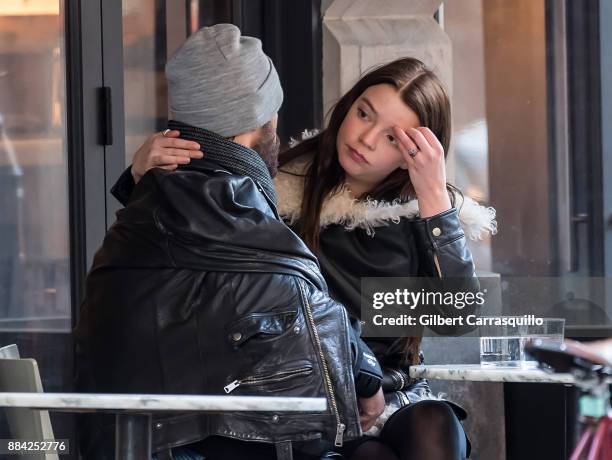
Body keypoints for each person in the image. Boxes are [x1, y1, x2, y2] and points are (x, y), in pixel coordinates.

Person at [115, 58, 497, 459]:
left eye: (391, 138)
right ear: (346, 106)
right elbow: (178, 242)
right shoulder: (271, 189)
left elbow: (458, 320)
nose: (365, 138)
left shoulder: (419, 214)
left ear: (411, 154)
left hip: (395, 393)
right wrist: (140, 178)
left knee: (435, 425)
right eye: (363, 113)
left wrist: (435, 201)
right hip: (304, 394)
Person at [74, 24, 385, 460]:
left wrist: (135, 184)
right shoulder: (251, 232)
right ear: (260, 120)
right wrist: (370, 377)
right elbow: (319, 402)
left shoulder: (129, 230)